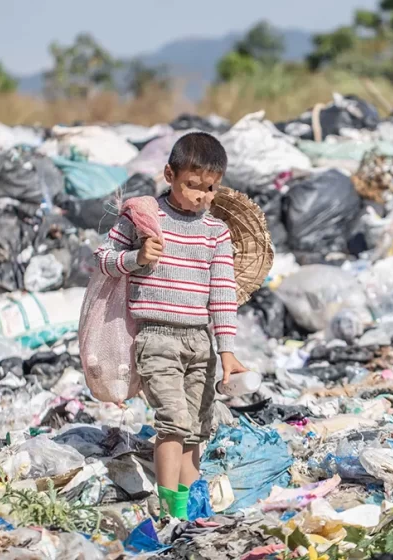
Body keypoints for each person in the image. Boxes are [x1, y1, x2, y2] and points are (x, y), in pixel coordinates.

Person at [96, 132, 247, 520]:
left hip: (200, 341)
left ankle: (188, 504)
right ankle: (169, 512)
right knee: (173, 423)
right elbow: (102, 259)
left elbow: (223, 292)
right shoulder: (145, 218)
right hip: (156, 336)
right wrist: (136, 257)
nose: (200, 195)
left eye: (209, 188)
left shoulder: (216, 232)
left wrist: (227, 350)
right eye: (191, 185)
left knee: (197, 426)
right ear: (169, 174)